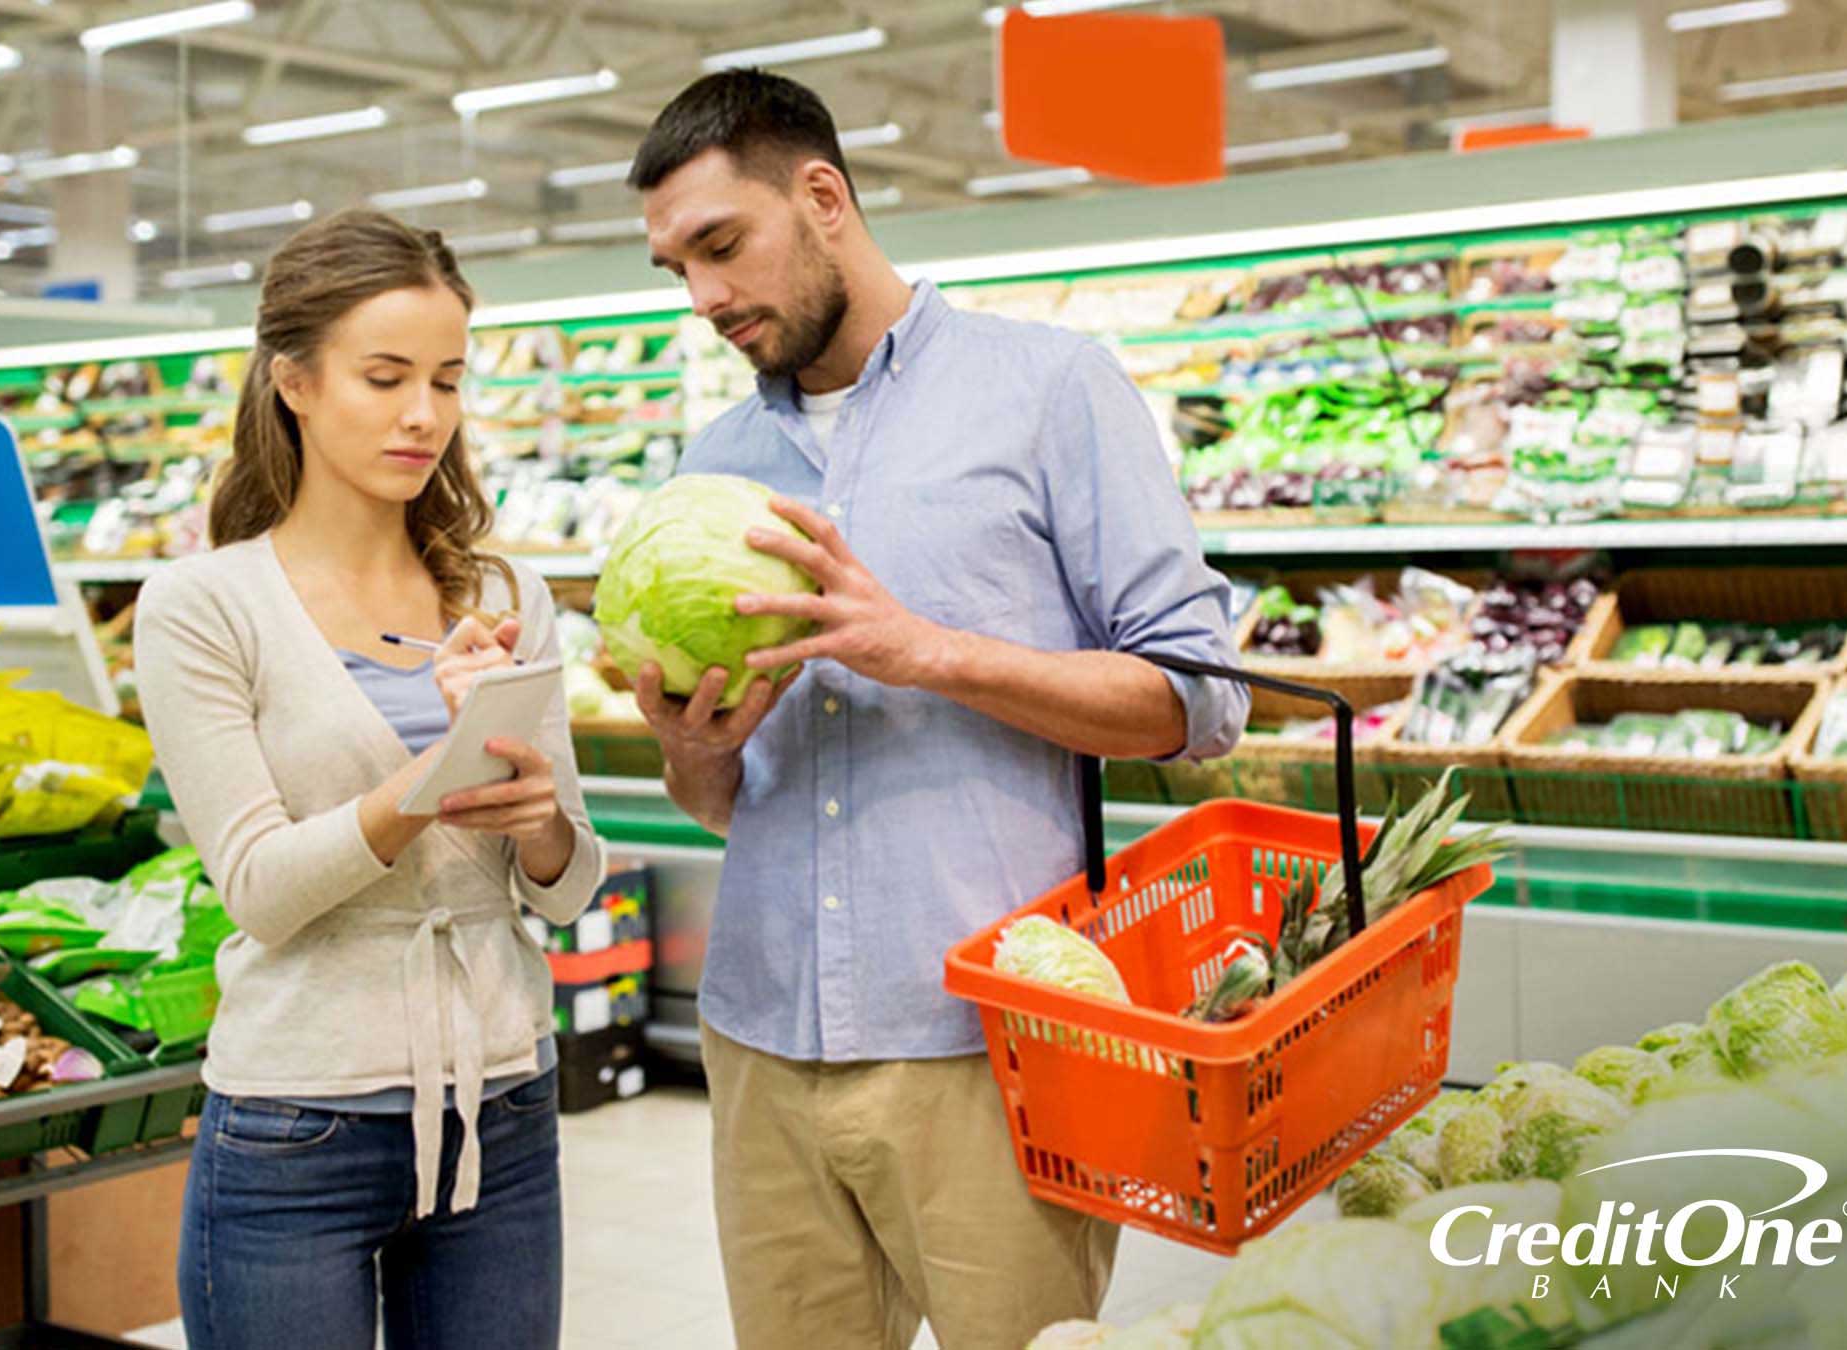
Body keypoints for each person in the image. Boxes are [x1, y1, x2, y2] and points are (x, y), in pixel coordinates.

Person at [624, 71, 1250, 1349]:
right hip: (760, 1037)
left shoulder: (1050, 389)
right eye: (674, 269)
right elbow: (719, 803)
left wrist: (929, 651)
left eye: (722, 247)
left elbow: (1200, 698)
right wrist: (694, 756)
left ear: (824, 196)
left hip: (991, 1045)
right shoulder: (712, 469)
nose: (705, 301)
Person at [134, 208, 605, 1350]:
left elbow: (568, 884)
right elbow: (258, 887)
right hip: (299, 1123)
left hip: (502, 1103)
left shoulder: (502, 594)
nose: (422, 415)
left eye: (446, 381)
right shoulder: (203, 607)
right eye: (385, 376)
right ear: (293, 380)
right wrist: (423, 786)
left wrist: (538, 822)